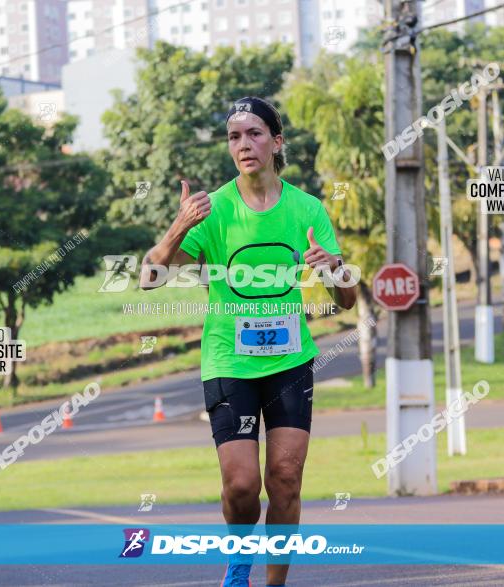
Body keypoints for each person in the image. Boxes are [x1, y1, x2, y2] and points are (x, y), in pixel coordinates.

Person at [140, 96, 357, 587]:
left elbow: (346, 299)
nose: (244, 144)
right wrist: (179, 227)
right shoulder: (213, 209)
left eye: (255, 133)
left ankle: (274, 584)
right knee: (242, 485)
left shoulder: (307, 208)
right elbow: (150, 276)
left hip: (289, 362)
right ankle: (239, 565)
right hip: (229, 362)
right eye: (235, 137)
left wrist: (335, 268)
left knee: (285, 479)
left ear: (276, 142)